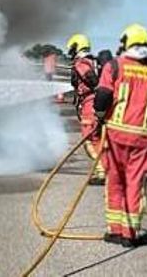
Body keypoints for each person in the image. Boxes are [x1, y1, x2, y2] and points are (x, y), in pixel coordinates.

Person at [93, 23, 147, 247]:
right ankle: (129, 234)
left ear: (125, 44)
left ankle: (114, 230)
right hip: (142, 138)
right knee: (135, 184)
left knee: (115, 180)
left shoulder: (114, 66)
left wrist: (99, 119)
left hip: (116, 134)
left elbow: (102, 96)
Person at [66, 33, 105, 184]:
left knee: (89, 139)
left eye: (71, 50)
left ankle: (102, 171)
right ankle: (105, 168)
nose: (71, 53)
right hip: (97, 102)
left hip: (90, 103)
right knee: (99, 139)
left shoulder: (81, 63)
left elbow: (91, 79)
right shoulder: (93, 61)